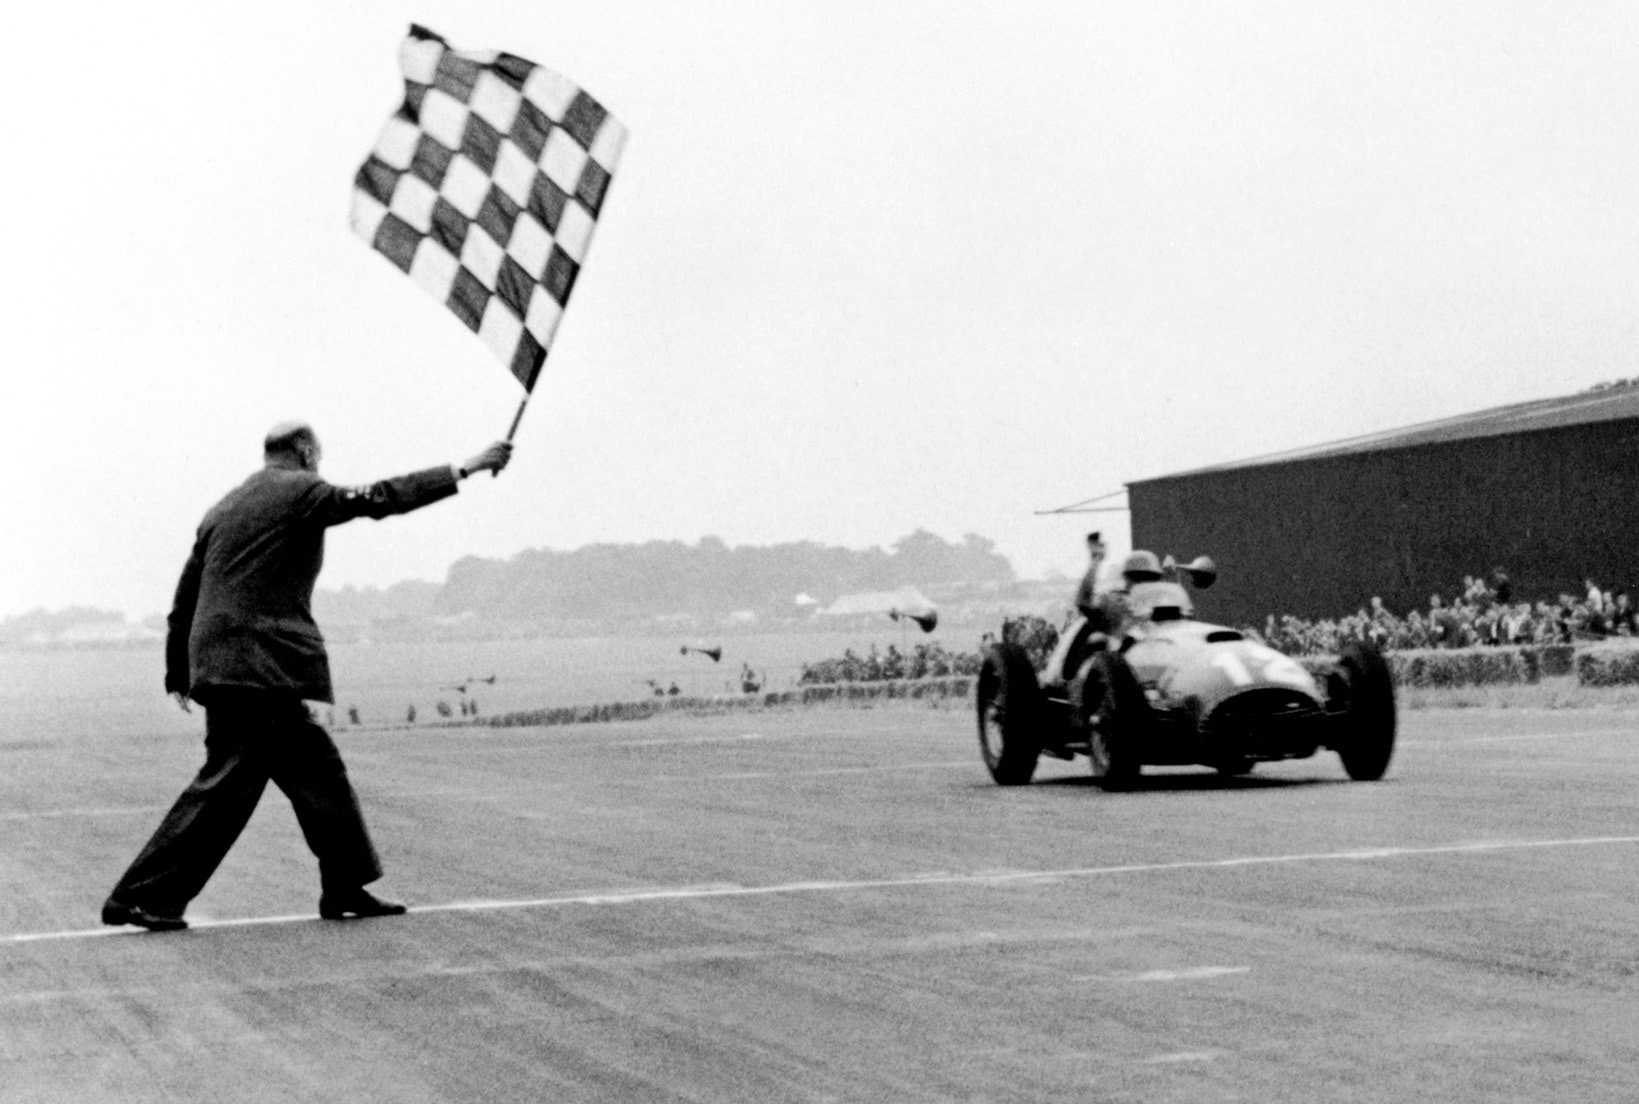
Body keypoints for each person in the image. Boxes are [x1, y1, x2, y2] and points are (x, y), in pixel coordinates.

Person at [100, 421, 512, 932]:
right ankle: (140, 897)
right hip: (260, 667)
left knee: (318, 772)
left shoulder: (223, 507)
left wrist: (178, 671)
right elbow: (379, 498)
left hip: (225, 666)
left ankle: (344, 885)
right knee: (228, 786)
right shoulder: (302, 491)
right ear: (307, 451)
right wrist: (466, 468)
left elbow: (186, 599)